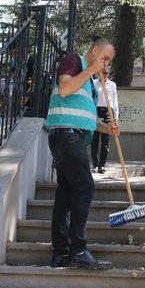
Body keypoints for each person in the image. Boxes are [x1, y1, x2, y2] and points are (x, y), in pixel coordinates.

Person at [46, 38, 120, 269]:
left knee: (66, 193)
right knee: (84, 186)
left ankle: (61, 254)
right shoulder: (73, 61)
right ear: (95, 51)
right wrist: (91, 70)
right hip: (66, 135)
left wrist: (107, 128)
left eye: (109, 61)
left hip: (71, 135)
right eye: (105, 58)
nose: (106, 64)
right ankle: (78, 250)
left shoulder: (88, 82)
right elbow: (66, 88)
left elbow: (85, 117)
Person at [92, 64, 119, 173]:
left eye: (106, 72)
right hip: (96, 111)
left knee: (105, 141)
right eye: (102, 72)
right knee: (95, 140)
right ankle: (95, 164)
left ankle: (102, 166)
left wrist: (116, 118)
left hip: (108, 112)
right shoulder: (93, 84)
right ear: (98, 73)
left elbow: (115, 101)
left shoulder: (112, 85)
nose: (104, 74)